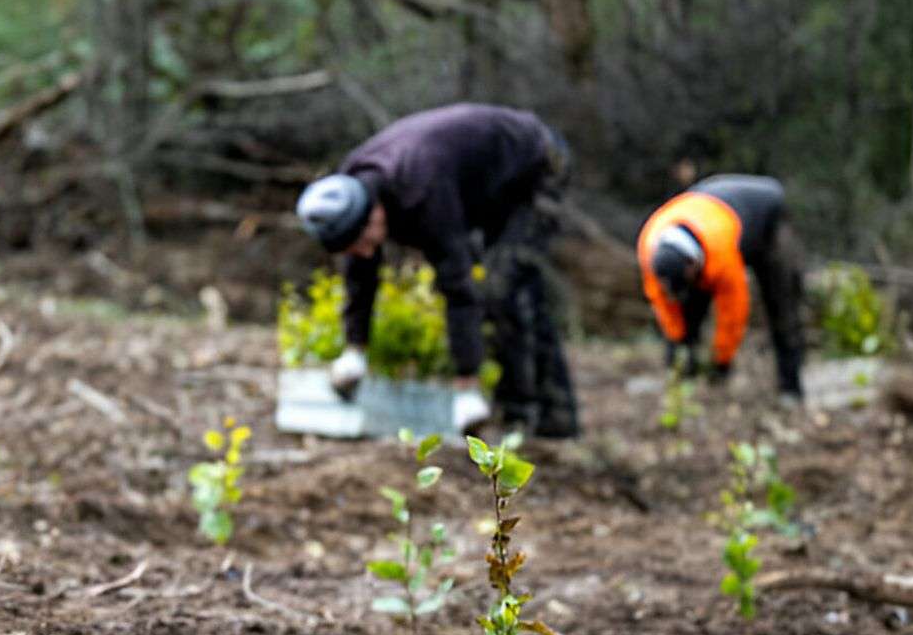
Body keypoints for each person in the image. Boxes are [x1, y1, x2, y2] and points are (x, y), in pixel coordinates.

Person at [294, 103, 579, 438]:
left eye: (361, 242)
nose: (362, 253)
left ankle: (522, 417)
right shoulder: (352, 191)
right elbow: (360, 273)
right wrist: (355, 350)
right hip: (485, 182)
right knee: (518, 291)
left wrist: (465, 384)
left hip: (536, 164)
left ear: (374, 215)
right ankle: (556, 418)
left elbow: (457, 285)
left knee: (502, 288)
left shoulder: (423, 191)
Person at [638, 174, 806, 402]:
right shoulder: (650, 251)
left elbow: (733, 311)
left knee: (782, 305)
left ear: (692, 265)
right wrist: (678, 341)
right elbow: (662, 302)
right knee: (688, 310)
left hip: (767, 217)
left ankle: (790, 389)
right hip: (710, 209)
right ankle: (683, 382)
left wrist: (722, 359)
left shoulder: (721, 256)